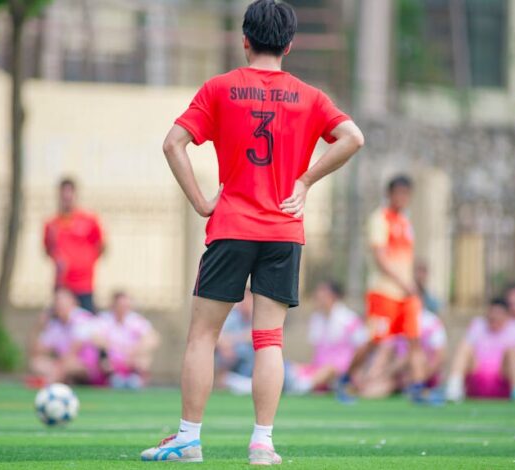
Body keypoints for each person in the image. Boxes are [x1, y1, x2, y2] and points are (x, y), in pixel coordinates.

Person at [140, 0, 364, 463]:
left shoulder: (220, 88)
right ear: (289, 44)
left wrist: (203, 201)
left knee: (203, 336)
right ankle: (262, 442)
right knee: (270, 340)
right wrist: (304, 181)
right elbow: (353, 137)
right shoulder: (309, 95)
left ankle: (188, 439)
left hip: (232, 226)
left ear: (244, 39)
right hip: (284, 230)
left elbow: (172, 143)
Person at [338, 175, 435, 404]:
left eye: (406, 194)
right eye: (398, 193)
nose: (402, 199)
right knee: (375, 340)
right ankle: (346, 380)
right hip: (384, 292)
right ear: (389, 194)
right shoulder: (379, 219)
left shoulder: (405, 222)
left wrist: (411, 285)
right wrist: (404, 283)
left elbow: (407, 260)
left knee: (414, 339)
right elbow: (381, 258)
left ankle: (418, 388)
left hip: (406, 294)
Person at [286, 281, 367, 394]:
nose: (318, 297)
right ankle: (301, 383)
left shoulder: (349, 319)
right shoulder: (316, 319)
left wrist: (351, 371)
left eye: (323, 293)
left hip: (340, 373)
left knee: (330, 369)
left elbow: (363, 346)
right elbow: (317, 353)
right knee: (290, 366)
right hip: (318, 370)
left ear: (333, 296)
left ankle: (302, 387)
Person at [445, 299, 515, 402]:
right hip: (477, 377)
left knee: (512, 352)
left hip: (502, 378)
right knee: (465, 346)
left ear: (507, 316)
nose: (494, 317)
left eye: (498, 313)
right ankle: (454, 387)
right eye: (492, 313)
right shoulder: (478, 324)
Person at [44, 178, 105, 313]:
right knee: (59, 326)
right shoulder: (52, 224)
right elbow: (48, 249)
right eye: (63, 193)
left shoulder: (89, 220)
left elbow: (100, 246)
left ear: (75, 194)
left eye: (69, 192)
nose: (67, 196)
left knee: (87, 324)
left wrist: (86, 262)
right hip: (62, 284)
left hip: (84, 284)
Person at [29, 289, 98, 385]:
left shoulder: (82, 318)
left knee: (67, 365)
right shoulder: (55, 324)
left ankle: (48, 383)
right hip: (62, 364)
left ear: (73, 303)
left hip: (86, 365)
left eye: (62, 302)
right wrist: (39, 328)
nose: (59, 305)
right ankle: (58, 381)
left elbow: (73, 351)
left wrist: (58, 366)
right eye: (57, 302)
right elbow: (37, 351)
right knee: (37, 363)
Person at [94, 291, 160, 389]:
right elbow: (95, 338)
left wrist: (134, 351)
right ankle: (113, 379)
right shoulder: (104, 319)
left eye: (126, 306)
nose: (123, 309)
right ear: (113, 305)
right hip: (112, 358)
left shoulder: (136, 320)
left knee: (144, 358)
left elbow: (153, 338)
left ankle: (135, 378)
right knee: (103, 358)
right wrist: (116, 350)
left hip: (132, 358)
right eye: (120, 305)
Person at [215, 289, 255, 395]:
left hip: (252, 361)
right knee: (226, 350)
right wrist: (226, 346)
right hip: (234, 357)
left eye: (249, 300)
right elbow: (218, 336)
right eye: (243, 300)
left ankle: (242, 383)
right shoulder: (232, 316)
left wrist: (233, 340)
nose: (245, 303)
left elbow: (253, 336)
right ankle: (227, 381)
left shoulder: (258, 317)